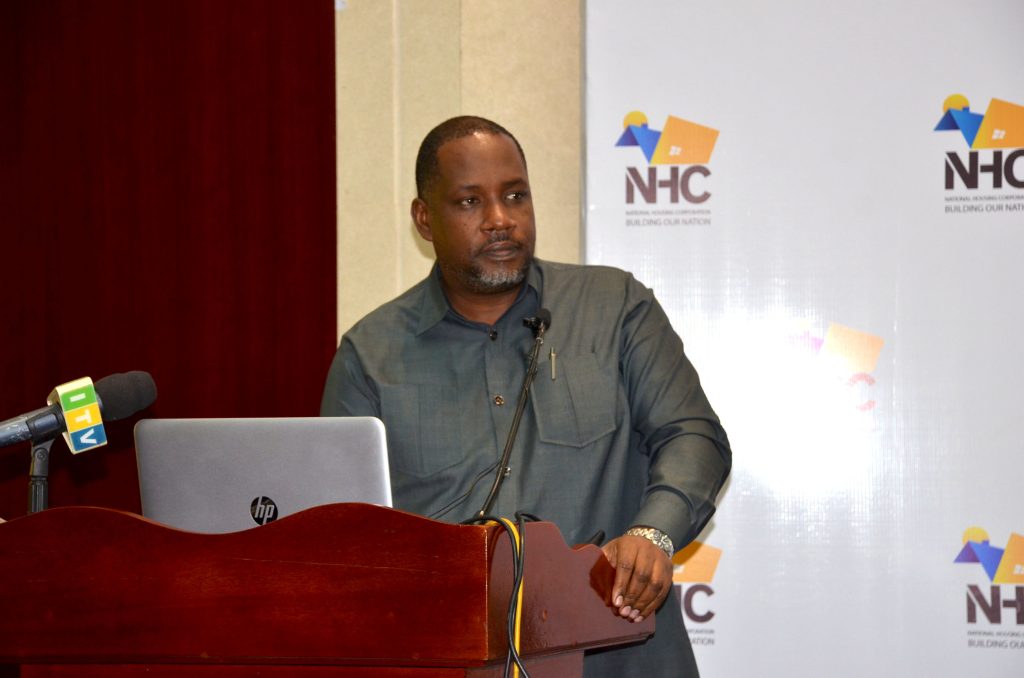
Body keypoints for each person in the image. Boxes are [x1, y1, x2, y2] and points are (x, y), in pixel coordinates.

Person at [320, 116, 731, 677]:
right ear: (424, 218)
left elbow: (692, 435)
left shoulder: (614, 306)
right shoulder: (370, 355)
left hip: (617, 653)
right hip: (452, 659)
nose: (500, 219)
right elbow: (339, 535)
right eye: (470, 202)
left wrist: (652, 532)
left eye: (515, 196)